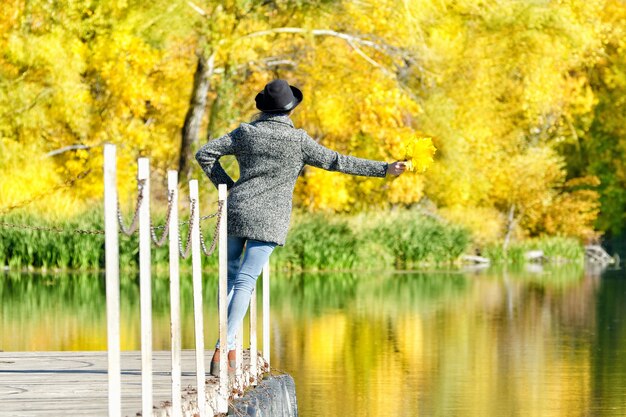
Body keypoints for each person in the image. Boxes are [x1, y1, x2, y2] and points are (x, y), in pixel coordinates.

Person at [195, 79, 407, 376]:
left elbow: (204, 154)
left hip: (237, 211)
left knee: (230, 279)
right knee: (244, 282)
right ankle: (222, 348)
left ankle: (229, 350)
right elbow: (337, 161)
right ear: (289, 111)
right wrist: (384, 169)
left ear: (263, 109)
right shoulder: (298, 141)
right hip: (269, 219)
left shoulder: (245, 133)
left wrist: (228, 187)